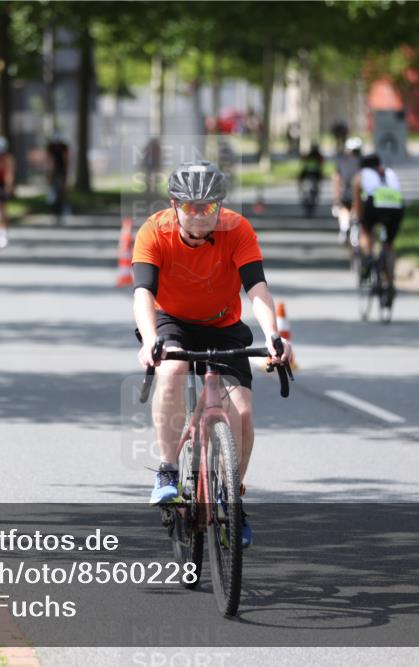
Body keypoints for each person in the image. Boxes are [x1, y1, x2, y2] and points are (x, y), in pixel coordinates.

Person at [132, 160, 293, 548]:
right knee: (171, 371)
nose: (201, 216)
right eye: (191, 207)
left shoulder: (237, 229)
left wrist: (273, 334)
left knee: (244, 414)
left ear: (219, 206)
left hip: (224, 325)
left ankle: (231, 501)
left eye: (208, 207)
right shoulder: (154, 231)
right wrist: (149, 339)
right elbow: (143, 294)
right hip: (171, 321)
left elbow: (256, 288)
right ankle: (169, 472)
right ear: (175, 205)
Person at [351, 153, 404, 307]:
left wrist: (360, 219)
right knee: (389, 244)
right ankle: (390, 279)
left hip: (375, 204)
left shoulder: (361, 174)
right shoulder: (390, 172)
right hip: (396, 207)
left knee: (366, 231)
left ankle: (368, 260)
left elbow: (357, 199)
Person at [332, 137, 363, 244]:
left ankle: (344, 228)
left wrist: (336, 197)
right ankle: (354, 229)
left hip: (345, 192)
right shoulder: (363, 161)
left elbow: (336, 179)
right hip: (359, 194)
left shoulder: (341, 161)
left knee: (344, 209)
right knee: (357, 211)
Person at [45, 131, 70, 224]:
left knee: (62, 191)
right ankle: (54, 211)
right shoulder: (50, 147)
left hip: (61, 172)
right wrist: (48, 172)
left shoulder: (64, 147)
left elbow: (66, 159)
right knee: (52, 192)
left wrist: (66, 173)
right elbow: (48, 159)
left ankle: (64, 210)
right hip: (53, 172)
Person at [297, 146, 324, 217]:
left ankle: (309, 206)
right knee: (313, 191)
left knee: (311, 191)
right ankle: (309, 206)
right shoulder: (316, 157)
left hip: (310, 175)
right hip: (312, 175)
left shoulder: (314, 157)